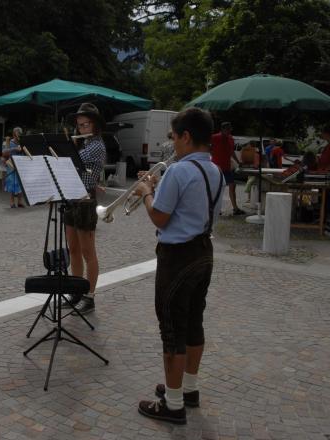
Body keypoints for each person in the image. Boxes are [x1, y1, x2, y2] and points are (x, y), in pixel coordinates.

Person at [134, 107, 223, 425]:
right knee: (194, 322)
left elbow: (160, 217)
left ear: (186, 136)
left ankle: (172, 406)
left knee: (171, 330)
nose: (172, 144)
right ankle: (189, 389)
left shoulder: (179, 171)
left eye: (174, 137)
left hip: (178, 257)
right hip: (204, 252)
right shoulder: (215, 171)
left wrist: (146, 192)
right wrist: (158, 189)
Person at [63, 103, 107, 314]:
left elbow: (75, 165)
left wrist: (68, 148)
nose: (82, 129)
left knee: (88, 252)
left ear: (95, 124)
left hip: (86, 201)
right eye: (79, 125)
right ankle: (76, 290)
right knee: (73, 249)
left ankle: (89, 296)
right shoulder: (81, 144)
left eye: (86, 124)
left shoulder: (96, 145)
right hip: (71, 198)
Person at [210, 122, 243, 215]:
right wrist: (212, 156)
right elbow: (208, 147)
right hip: (216, 167)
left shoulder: (230, 138)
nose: (229, 131)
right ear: (223, 129)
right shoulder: (214, 137)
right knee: (217, 188)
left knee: (232, 186)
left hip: (227, 167)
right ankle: (216, 209)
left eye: (230, 129)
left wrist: (238, 161)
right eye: (228, 129)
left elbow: (231, 151)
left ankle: (235, 208)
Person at [2, 127, 25, 208]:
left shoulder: (23, 142)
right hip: (11, 164)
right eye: (16, 134)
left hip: (21, 164)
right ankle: (11, 201)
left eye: (19, 134)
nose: (17, 136)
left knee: (20, 183)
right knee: (12, 182)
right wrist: (14, 148)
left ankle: (20, 201)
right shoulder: (8, 142)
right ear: (13, 134)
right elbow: (4, 154)